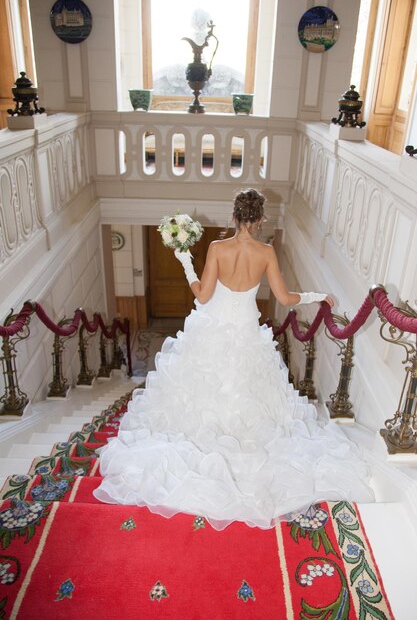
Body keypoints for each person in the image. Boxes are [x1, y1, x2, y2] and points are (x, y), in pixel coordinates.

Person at [94, 189, 374, 530]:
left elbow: (203, 294)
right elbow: (284, 298)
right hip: (245, 334)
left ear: (234, 217)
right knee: (248, 396)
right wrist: (318, 296)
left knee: (201, 394)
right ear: (258, 221)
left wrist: (185, 261)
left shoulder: (216, 249)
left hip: (210, 332)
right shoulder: (266, 252)